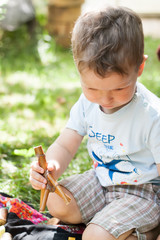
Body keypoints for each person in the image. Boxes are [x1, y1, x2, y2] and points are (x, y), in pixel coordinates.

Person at [30, 6, 160, 240]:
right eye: (92, 88)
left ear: (139, 67)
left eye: (119, 88)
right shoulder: (86, 103)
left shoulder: (152, 115)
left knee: (94, 236)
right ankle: (117, 226)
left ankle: (148, 230)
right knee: (56, 200)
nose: (105, 99)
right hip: (101, 181)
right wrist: (50, 168)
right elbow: (66, 144)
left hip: (143, 192)